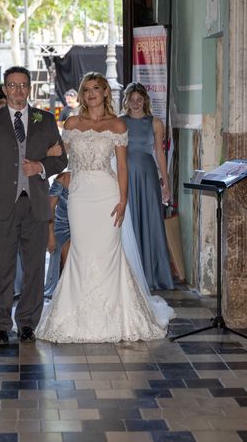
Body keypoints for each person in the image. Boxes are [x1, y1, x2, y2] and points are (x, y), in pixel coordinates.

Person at [35, 72, 174, 343]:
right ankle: (74, 317)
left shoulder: (118, 126)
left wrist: (123, 201)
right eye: (86, 89)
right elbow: (61, 156)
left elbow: (122, 167)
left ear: (106, 92)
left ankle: (117, 316)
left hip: (107, 196)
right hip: (80, 195)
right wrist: (47, 158)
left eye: (95, 88)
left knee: (109, 253)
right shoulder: (72, 123)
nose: (90, 94)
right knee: (81, 252)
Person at [0, 66, 68, 347]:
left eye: (23, 85)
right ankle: (1, 324)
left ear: (30, 89)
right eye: (12, 85)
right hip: (1, 206)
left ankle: (27, 323)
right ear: (4, 88)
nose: (18, 90)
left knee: (34, 268)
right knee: (2, 267)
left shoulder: (46, 120)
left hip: (36, 205)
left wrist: (39, 165)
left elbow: (60, 160)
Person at [0, 85, 62, 298]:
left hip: (30, 192)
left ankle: (20, 293)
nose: (3, 107)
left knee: (27, 251)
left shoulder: (38, 119)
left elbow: (32, 153)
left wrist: (42, 159)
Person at [120, 83, 175, 291]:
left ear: (145, 100)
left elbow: (160, 153)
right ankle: (131, 273)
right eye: (131, 100)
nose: (135, 103)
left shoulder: (156, 123)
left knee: (151, 219)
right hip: (126, 174)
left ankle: (154, 274)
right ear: (126, 101)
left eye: (139, 99)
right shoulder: (119, 122)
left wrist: (165, 183)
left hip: (147, 174)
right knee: (129, 221)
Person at [44, 171, 70, 298]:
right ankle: (65, 291)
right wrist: (50, 236)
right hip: (62, 227)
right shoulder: (63, 178)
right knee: (69, 249)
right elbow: (50, 208)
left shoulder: (94, 180)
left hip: (83, 228)